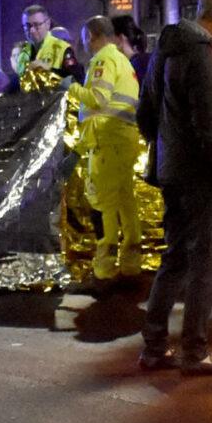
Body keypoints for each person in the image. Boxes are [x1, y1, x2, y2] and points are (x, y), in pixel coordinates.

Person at [136, 0, 212, 373]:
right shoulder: (204, 58)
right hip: (201, 178)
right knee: (205, 262)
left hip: (173, 173)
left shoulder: (166, 52)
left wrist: (170, 149)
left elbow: (145, 116)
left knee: (176, 257)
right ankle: (195, 351)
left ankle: (153, 347)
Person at [73, 15, 147, 284]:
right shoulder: (123, 61)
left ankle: (104, 271)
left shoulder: (103, 60)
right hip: (123, 140)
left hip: (106, 140)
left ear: (91, 35)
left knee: (103, 206)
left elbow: (97, 98)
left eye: (84, 38)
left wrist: (71, 89)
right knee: (126, 205)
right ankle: (130, 265)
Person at [11, 4, 76, 86]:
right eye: (27, 26)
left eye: (37, 25)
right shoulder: (23, 53)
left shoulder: (62, 48)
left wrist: (48, 69)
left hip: (56, 97)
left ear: (48, 24)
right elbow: (19, 82)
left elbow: (77, 78)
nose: (32, 30)